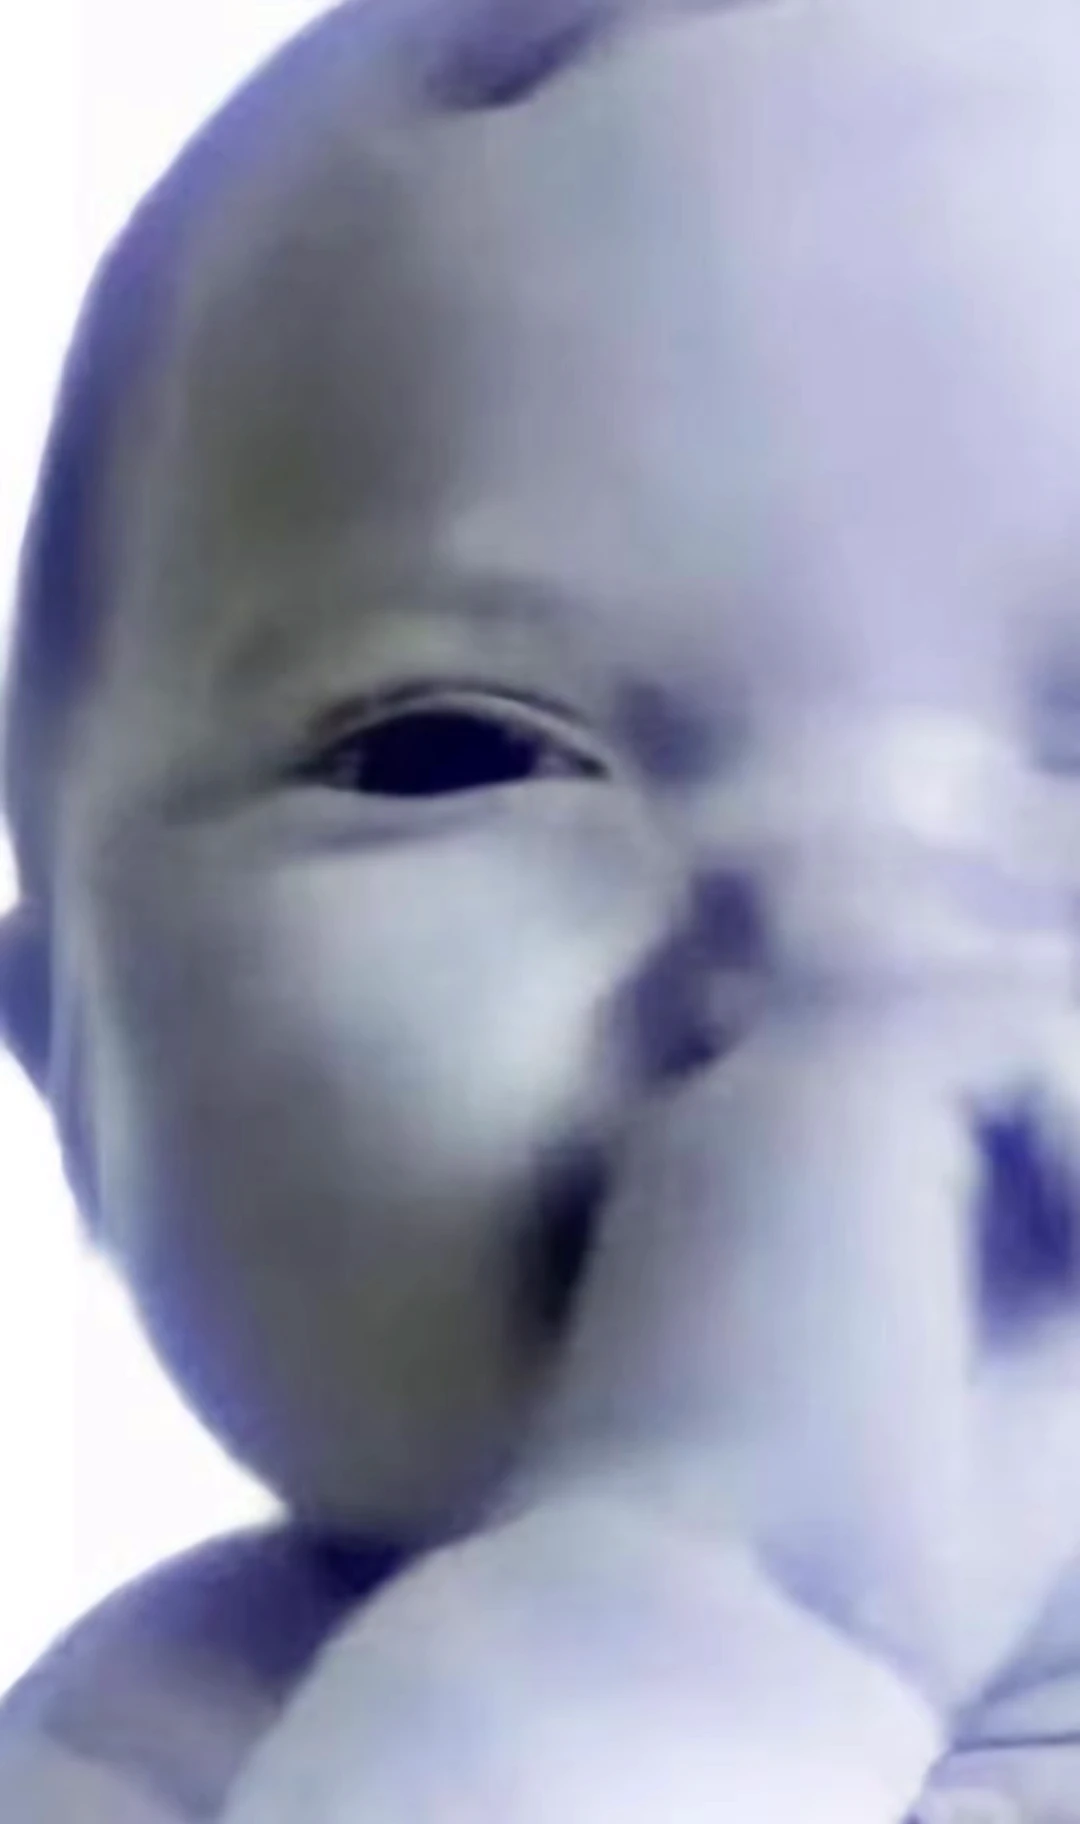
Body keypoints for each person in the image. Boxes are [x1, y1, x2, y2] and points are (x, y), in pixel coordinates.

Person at [0, 0, 1078, 1813]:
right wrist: (692, 1622)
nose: (863, 953)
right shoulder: (149, 1761)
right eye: (454, 751)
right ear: (71, 1068)